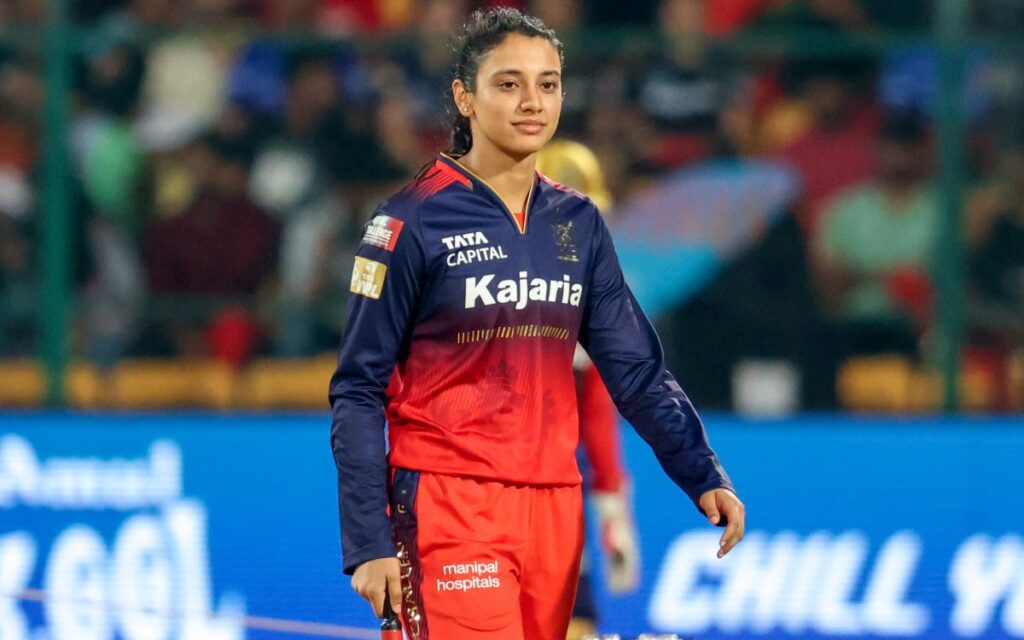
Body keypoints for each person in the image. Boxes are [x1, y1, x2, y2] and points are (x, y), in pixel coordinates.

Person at [328, 9, 745, 640]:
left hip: (555, 507)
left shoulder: (579, 222)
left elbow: (635, 369)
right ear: (464, 97)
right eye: (509, 83)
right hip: (449, 501)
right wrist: (368, 538)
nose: (533, 102)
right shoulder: (408, 221)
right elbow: (358, 387)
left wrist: (701, 470)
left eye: (548, 84)